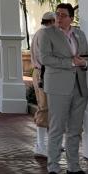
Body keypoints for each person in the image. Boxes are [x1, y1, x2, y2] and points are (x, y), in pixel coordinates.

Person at [40, 2, 88, 174]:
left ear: (71, 18)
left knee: (75, 129)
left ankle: (74, 168)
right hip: (58, 87)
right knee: (57, 128)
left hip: (79, 87)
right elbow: (45, 58)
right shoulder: (46, 34)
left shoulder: (79, 34)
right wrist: (71, 63)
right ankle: (53, 170)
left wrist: (85, 63)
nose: (59, 18)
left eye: (63, 15)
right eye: (57, 14)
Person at [29, 10, 56, 157]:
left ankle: (47, 143)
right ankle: (40, 145)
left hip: (42, 73)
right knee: (44, 108)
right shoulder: (45, 35)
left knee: (47, 108)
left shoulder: (40, 34)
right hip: (43, 74)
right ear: (51, 21)